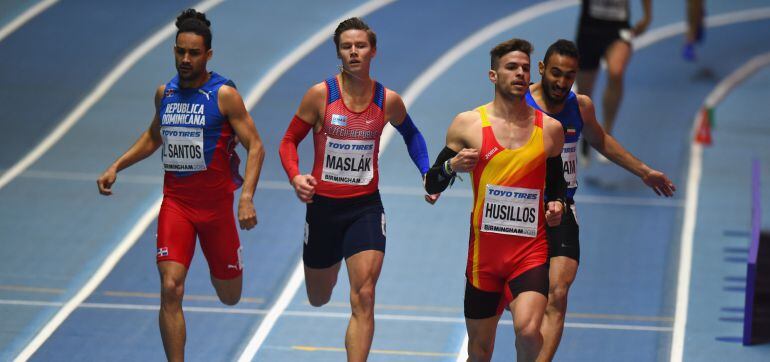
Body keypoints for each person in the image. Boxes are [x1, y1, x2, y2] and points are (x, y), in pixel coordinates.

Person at [96, 9, 265, 361]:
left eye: (193, 53)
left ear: (208, 55)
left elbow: (256, 146)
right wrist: (117, 165)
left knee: (230, 295)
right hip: (177, 206)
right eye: (180, 52)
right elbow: (154, 136)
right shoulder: (165, 94)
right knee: (170, 287)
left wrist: (246, 197)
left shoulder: (224, 95)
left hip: (217, 210)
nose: (185, 59)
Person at [278, 17, 434, 361]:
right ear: (339, 52)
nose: (353, 52)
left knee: (363, 294)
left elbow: (412, 135)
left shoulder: (387, 100)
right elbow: (289, 140)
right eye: (346, 46)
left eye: (360, 46)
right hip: (322, 210)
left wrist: (426, 171)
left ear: (372, 51)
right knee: (319, 295)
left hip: (364, 208)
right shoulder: (320, 96)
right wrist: (295, 175)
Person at [521, 39, 676, 361]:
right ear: (541, 70)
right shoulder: (518, 104)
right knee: (517, 305)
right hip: (520, 211)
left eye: (569, 75)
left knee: (558, 294)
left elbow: (601, 140)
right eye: (556, 74)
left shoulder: (580, 107)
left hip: (561, 208)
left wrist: (643, 171)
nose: (562, 83)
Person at [425, 38, 567, 362]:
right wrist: (451, 166)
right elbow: (432, 182)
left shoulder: (550, 130)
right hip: (484, 259)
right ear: (493, 75)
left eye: (525, 69)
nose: (520, 73)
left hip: (529, 253)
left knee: (529, 333)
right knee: (480, 350)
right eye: (511, 67)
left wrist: (556, 204)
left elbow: (557, 185)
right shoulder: (469, 125)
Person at [575, 0, 651, 162]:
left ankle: (607, 134)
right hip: (589, 29)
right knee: (584, 92)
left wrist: (647, 16)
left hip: (619, 30)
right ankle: (587, 135)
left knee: (616, 72)